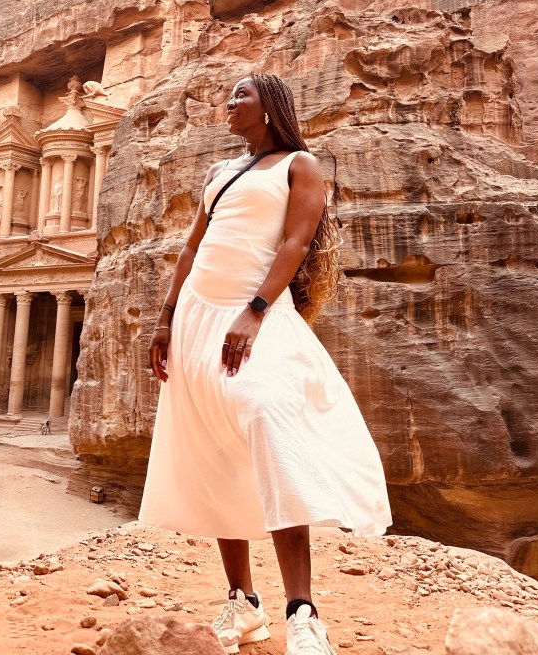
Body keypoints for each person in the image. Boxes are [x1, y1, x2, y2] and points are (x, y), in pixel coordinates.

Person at [139, 73, 392, 655]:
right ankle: (242, 604)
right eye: (228, 96)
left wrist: (256, 309)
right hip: (196, 317)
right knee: (213, 445)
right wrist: (165, 318)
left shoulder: (298, 166)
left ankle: (302, 611)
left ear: (270, 108)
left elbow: (296, 242)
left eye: (241, 96)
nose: (228, 104)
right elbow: (190, 249)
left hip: (251, 315)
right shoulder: (219, 174)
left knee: (264, 417)